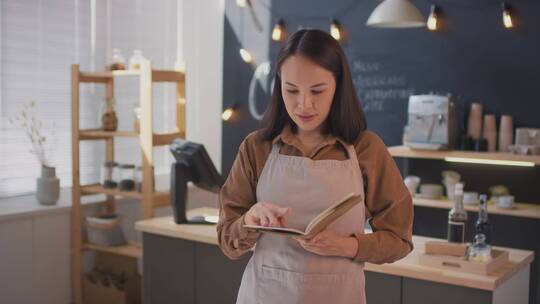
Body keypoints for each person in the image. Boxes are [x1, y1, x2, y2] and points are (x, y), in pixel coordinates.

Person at [216, 28, 413, 304]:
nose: (303, 104)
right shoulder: (256, 148)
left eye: (318, 91)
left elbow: (399, 239)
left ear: (338, 86)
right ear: (279, 85)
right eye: (291, 90)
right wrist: (250, 220)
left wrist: (347, 246)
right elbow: (227, 239)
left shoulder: (367, 149)